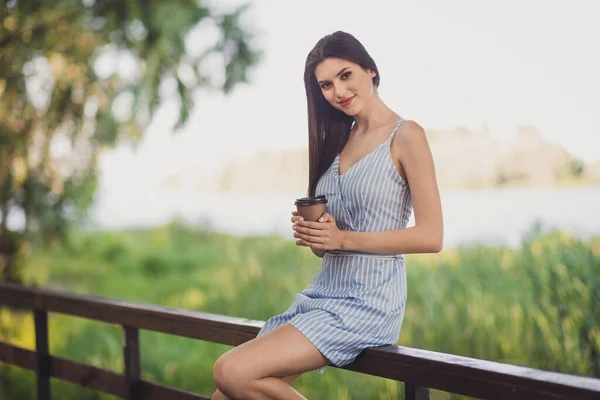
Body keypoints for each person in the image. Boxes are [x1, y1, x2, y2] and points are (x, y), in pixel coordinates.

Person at [211, 30, 443, 400]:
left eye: (345, 75)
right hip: (321, 296)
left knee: (231, 370)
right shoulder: (337, 140)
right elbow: (330, 245)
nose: (337, 91)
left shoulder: (407, 135)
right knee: (225, 395)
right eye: (326, 84)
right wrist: (317, 237)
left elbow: (432, 237)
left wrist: (343, 239)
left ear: (370, 70)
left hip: (368, 302)